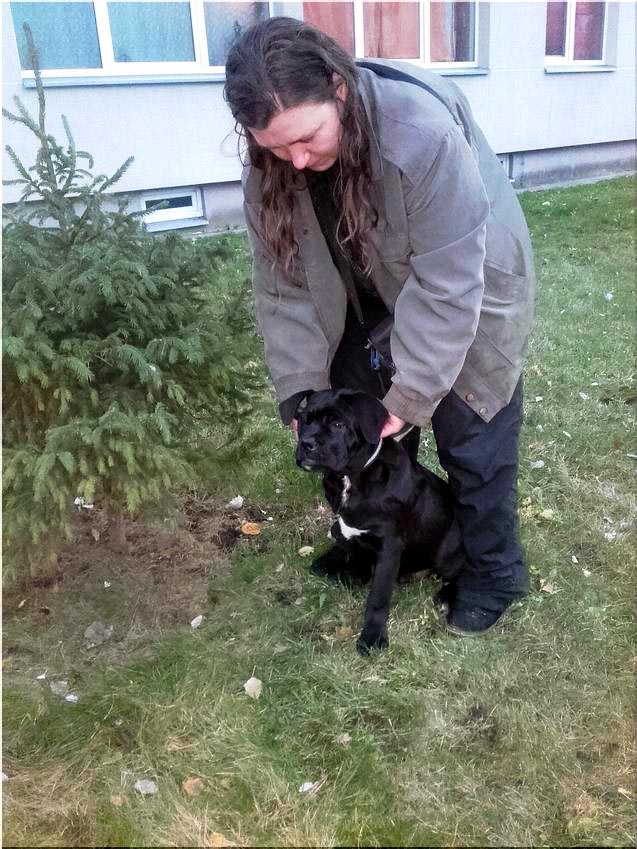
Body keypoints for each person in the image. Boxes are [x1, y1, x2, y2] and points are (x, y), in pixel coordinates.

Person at [224, 17, 535, 636]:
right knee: (354, 421)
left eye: (307, 138)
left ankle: (492, 573)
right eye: (276, 147)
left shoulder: (419, 137)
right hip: (361, 293)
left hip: (470, 279)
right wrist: (299, 388)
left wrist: (411, 396)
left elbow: (448, 286)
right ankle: (366, 538)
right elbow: (283, 287)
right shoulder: (271, 168)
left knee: (471, 430)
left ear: (338, 89)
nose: (296, 160)